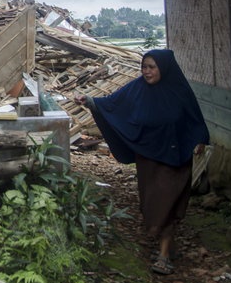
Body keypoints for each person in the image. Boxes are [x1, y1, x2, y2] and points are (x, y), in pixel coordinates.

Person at [74, 48, 209, 276]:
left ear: (163, 68)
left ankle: (164, 255)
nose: (147, 72)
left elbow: (195, 119)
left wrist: (199, 140)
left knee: (167, 202)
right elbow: (111, 104)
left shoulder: (179, 90)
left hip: (176, 157)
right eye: (144, 67)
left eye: (152, 67)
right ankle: (167, 243)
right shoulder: (137, 89)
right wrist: (89, 101)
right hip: (148, 157)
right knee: (153, 203)